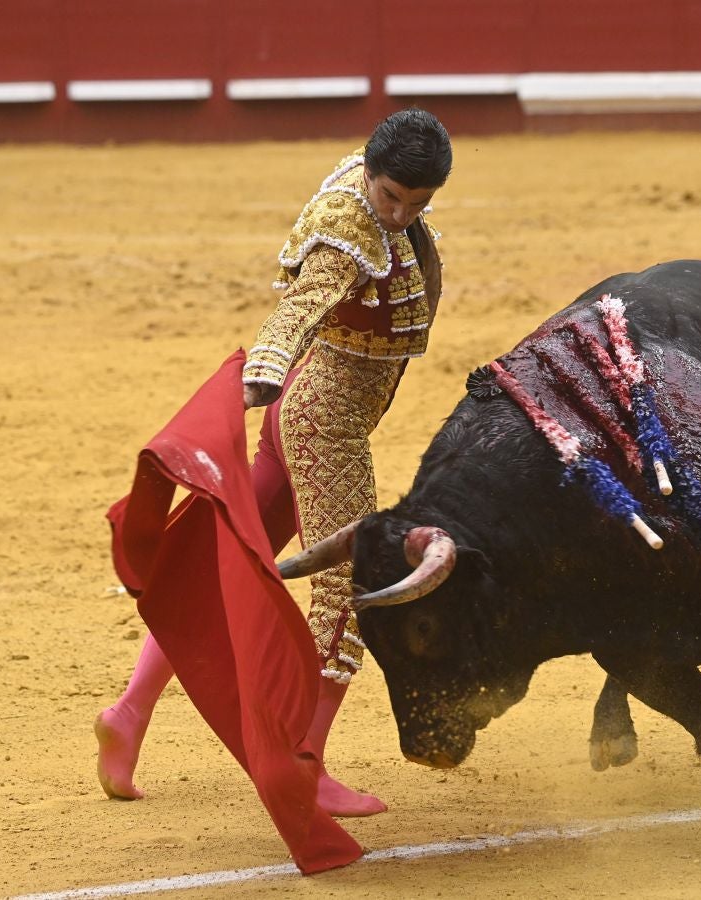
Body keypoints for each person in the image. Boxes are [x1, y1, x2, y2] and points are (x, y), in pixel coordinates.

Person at [95, 108, 452, 817]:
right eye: (390, 197)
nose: (398, 215)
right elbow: (299, 308)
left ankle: (129, 713)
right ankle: (302, 765)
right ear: (370, 174)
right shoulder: (350, 231)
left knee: (220, 558)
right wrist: (261, 373)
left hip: (306, 408)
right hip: (324, 424)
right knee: (350, 586)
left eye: (417, 204)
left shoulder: (373, 181)